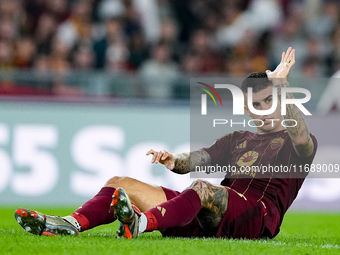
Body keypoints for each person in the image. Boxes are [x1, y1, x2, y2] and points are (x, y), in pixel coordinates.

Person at [14, 47, 317, 239]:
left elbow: (300, 135)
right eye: (257, 104)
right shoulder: (238, 139)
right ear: (248, 109)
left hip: (255, 219)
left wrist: (281, 86)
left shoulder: (299, 141)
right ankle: (69, 223)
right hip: (213, 214)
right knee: (121, 184)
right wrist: (174, 161)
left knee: (202, 188)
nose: (265, 110)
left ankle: (140, 223)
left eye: (270, 101)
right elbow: (197, 161)